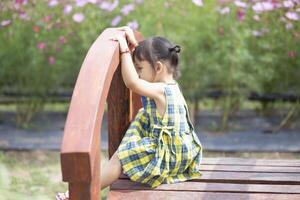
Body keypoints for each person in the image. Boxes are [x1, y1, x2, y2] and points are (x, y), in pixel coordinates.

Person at [56, 26, 203, 199]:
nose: (138, 73)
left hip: (168, 158)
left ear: (157, 67)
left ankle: (79, 194)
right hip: (181, 154)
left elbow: (132, 83)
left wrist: (125, 50)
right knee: (141, 117)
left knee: (121, 155)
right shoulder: (172, 88)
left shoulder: (162, 91)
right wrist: (134, 49)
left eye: (139, 68)